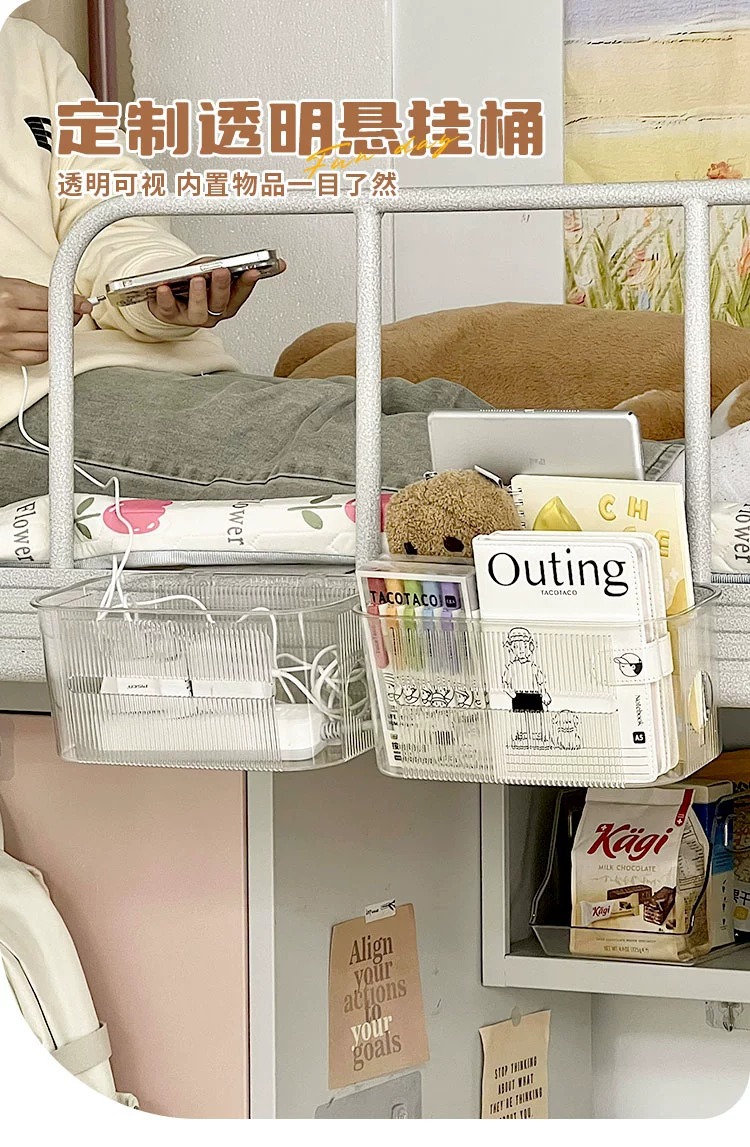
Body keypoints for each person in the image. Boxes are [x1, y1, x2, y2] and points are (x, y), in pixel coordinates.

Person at [0, 15, 488, 508]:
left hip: (134, 368)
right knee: (440, 462)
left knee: (451, 413)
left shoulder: (27, 50)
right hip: (22, 405)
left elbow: (108, 214)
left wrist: (159, 286)